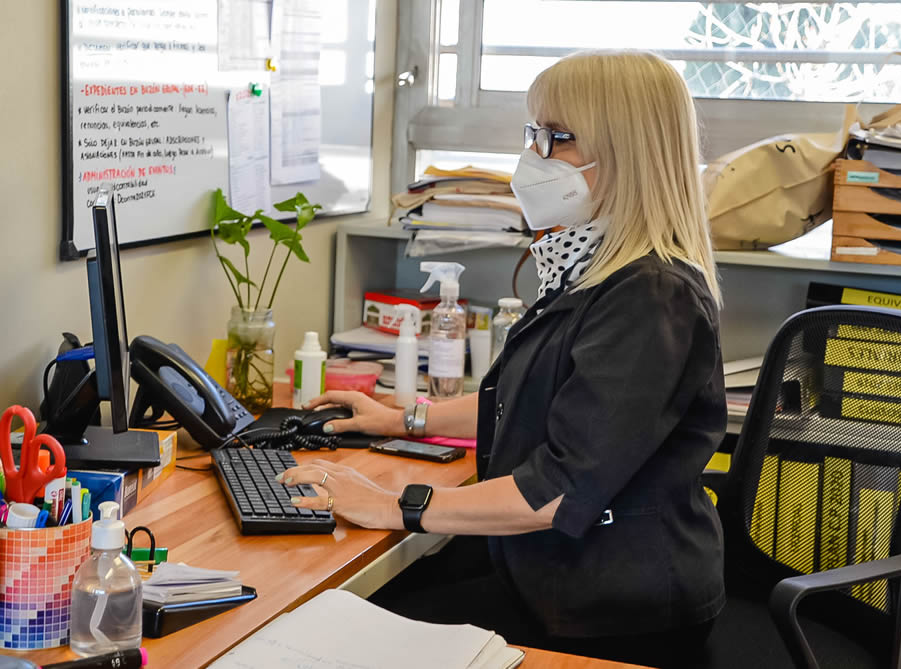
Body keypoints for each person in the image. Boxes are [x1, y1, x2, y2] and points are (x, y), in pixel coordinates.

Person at [279, 49, 726, 668]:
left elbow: (557, 492)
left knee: (331, 635)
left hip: (612, 610)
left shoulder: (653, 297)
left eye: (557, 138)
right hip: (549, 573)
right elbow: (528, 401)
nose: (533, 158)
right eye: (533, 133)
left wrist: (388, 502)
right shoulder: (595, 270)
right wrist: (404, 419)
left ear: (628, 153)